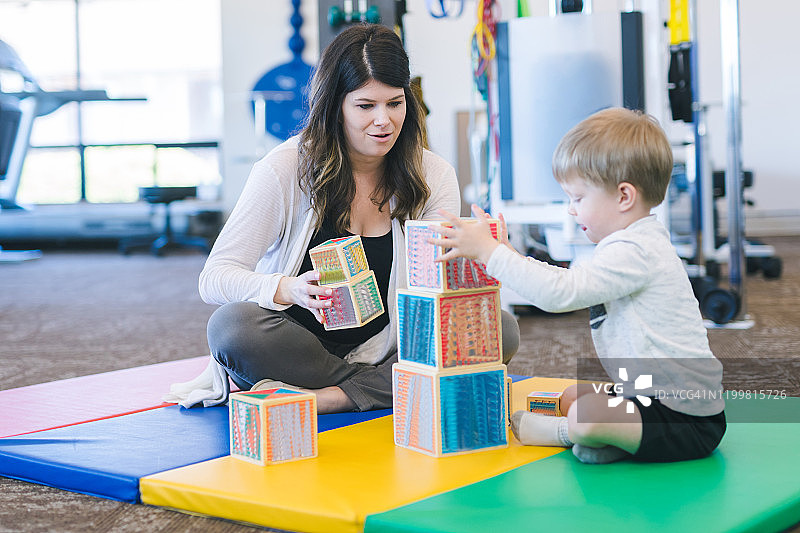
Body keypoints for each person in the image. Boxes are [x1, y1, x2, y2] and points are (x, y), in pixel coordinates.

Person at [165, 24, 519, 414]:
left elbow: (436, 287)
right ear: (336, 106)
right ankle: (383, 390)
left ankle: (331, 399)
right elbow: (214, 278)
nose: (384, 121)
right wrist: (287, 289)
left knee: (499, 328)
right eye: (366, 106)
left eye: (395, 103)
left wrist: (481, 254)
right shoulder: (285, 168)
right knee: (231, 327)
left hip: (389, 347)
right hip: (296, 346)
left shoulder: (431, 173)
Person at [430, 107, 725, 463]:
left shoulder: (636, 250)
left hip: (685, 417)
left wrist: (491, 253)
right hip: (644, 394)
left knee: (584, 417)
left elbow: (560, 294)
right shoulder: (628, 242)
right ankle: (613, 441)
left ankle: (564, 434)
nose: (572, 210)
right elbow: (561, 280)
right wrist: (510, 253)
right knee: (571, 396)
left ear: (624, 196)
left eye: (578, 198)